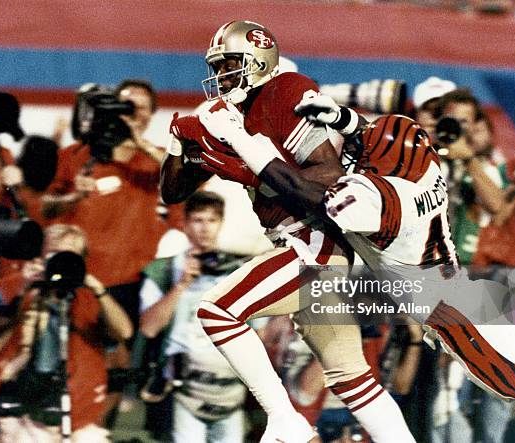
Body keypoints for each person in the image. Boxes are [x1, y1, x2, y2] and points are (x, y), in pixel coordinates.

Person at [196, 93, 515, 414]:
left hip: (456, 317)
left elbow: (298, 188)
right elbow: (390, 136)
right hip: (473, 294)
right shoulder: (425, 165)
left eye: (365, 155)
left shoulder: (379, 197)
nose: (356, 156)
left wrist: (240, 140)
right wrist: (342, 118)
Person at [161, 20, 415, 443]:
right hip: (300, 245)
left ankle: (284, 419)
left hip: (314, 241)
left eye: (229, 65)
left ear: (259, 62)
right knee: (354, 379)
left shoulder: (285, 93)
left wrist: (246, 162)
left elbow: (326, 182)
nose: (221, 77)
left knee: (217, 310)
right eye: (218, 67)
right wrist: (177, 147)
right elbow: (173, 191)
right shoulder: (234, 115)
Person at [42, 79, 181, 425]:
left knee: (117, 366)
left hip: (126, 280)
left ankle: (99, 432)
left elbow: (191, 178)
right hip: (75, 272)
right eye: (124, 106)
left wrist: (139, 142)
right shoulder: (77, 157)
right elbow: (39, 207)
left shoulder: (152, 162)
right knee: (62, 358)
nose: (130, 114)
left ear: (150, 115)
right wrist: (72, 197)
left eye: (139, 108)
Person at [0, 224, 133, 442]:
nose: (61, 263)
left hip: (76, 412)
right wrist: (23, 290)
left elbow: (124, 331)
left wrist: (95, 287)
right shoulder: (14, 288)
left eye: (70, 256)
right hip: (20, 411)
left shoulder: (89, 299)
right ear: (41, 256)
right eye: (55, 254)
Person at [139, 191, 258, 443]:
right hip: (180, 383)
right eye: (197, 220)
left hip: (228, 383)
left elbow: (258, 329)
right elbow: (149, 328)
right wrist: (181, 285)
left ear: (221, 224)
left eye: (211, 220)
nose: (204, 228)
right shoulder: (163, 270)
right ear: (184, 224)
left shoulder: (239, 269)